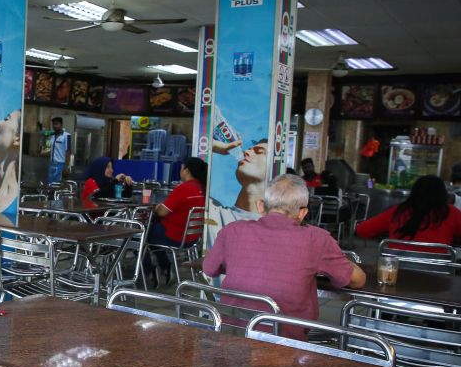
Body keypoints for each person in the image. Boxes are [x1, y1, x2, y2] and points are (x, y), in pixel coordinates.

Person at [203, 174, 366, 340]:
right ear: (302, 213)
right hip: (284, 344)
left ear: (261, 206)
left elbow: (209, 268)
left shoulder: (232, 231)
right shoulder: (316, 239)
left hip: (230, 336)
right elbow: (358, 280)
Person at [145, 157, 207, 280]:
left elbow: (162, 212)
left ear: (187, 170)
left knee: (139, 234)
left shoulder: (183, 188)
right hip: (193, 238)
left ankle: (149, 272)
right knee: (151, 233)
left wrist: (156, 207)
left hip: (175, 236)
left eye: (181, 168)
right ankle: (164, 267)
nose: (180, 171)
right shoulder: (203, 188)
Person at [356, 174, 461, 247]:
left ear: (414, 192)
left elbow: (361, 230)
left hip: (398, 273)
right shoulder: (451, 213)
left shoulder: (398, 211)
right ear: (443, 194)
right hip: (440, 274)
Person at [206, 138, 270, 232]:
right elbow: (199, 139)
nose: (246, 152)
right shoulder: (214, 212)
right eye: (248, 149)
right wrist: (215, 146)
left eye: (259, 152)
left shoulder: (274, 229)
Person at [46, 116, 71, 184]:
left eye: (56, 124)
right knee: (50, 184)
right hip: (51, 164)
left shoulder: (67, 135)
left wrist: (66, 167)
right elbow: (48, 148)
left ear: (61, 125)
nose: (55, 126)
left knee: (57, 185)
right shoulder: (52, 136)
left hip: (60, 164)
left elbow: (68, 152)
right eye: (53, 124)